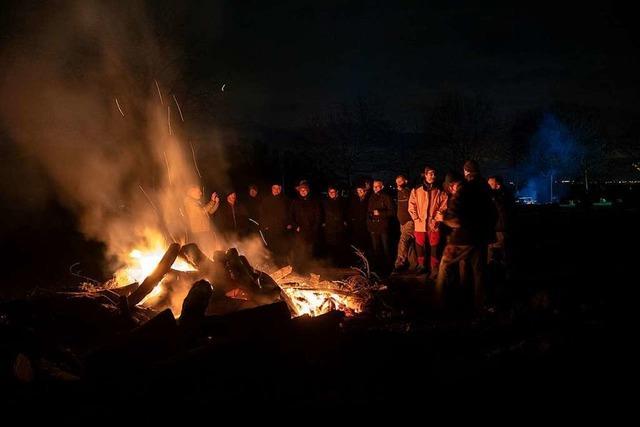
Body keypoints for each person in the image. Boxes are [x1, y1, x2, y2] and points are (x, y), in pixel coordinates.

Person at [435, 160, 497, 312]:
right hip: (481, 236)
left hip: (464, 237)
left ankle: (439, 303)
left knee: (445, 265)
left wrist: (442, 218)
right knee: (478, 270)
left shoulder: (464, 190)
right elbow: (493, 212)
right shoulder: (485, 187)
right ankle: (478, 304)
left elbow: (456, 219)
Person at [408, 166, 448, 278]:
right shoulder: (417, 190)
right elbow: (411, 205)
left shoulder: (439, 190)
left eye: (434, 174)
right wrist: (416, 218)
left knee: (434, 246)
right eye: (430, 174)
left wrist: (436, 219)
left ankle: (434, 268)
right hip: (420, 224)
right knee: (420, 245)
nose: (433, 176)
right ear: (425, 175)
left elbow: (443, 206)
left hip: (434, 224)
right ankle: (421, 266)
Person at [288, 180, 322, 272]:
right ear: (299, 191)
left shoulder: (314, 201)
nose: (303, 191)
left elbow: (318, 216)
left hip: (311, 231)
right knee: (299, 250)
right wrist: (296, 226)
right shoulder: (295, 202)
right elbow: (291, 216)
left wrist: (314, 227)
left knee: (309, 251)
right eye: (301, 190)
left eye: (305, 190)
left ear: (308, 191)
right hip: (299, 231)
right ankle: (298, 269)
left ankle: (308, 269)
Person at [487, 175, 514, 275]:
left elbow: (502, 210)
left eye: (490, 184)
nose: (488, 186)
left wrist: (493, 197)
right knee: (492, 254)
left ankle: (506, 275)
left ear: (497, 185)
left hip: (501, 229)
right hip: (495, 229)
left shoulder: (503, 195)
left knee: (504, 253)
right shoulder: (496, 195)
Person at [183, 185, 219, 256]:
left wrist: (216, 202)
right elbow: (201, 212)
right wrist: (212, 201)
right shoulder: (189, 201)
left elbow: (210, 211)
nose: (201, 193)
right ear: (191, 192)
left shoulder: (196, 202)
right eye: (198, 191)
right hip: (198, 231)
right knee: (201, 251)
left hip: (203, 230)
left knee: (206, 250)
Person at [259, 182, 290, 264]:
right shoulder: (266, 200)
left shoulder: (285, 200)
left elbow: (289, 213)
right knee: (272, 248)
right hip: (270, 229)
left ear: (280, 190)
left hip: (282, 228)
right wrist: (265, 225)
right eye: (274, 188)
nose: (276, 190)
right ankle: (273, 265)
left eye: (278, 188)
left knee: (282, 248)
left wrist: (288, 224)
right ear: (271, 189)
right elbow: (262, 214)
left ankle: (283, 265)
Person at [367, 180, 394, 272]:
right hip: (374, 227)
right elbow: (369, 211)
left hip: (383, 226)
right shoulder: (371, 197)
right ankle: (378, 267)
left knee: (386, 248)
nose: (375, 188)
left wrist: (380, 213)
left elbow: (392, 212)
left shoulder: (386, 197)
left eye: (377, 186)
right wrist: (370, 219)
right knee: (376, 249)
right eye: (374, 186)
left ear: (382, 187)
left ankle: (388, 267)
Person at [322, 184, 347, 266]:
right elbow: (322, 213)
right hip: (329, 227)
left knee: (340, 245)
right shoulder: (325, 202)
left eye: (333, 192)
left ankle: (340, 263)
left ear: (336, 192)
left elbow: (346, 212)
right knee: (330, 246)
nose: (332, 193)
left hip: (339, 227)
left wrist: (345, 221)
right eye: (330, 192)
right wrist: (323, 222)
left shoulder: (342, 201)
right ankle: (331, 263)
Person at [393, 174, 414, 271]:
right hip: (402, 222)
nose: (398, 184)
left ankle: (399, 263)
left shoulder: (409, 191)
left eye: (400, 181)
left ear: (406, 181)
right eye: (397, 182)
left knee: (403, 240)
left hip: (410, 221)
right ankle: (413, 264)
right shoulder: (398, 192)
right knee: (409, 244)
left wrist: (402, 189)